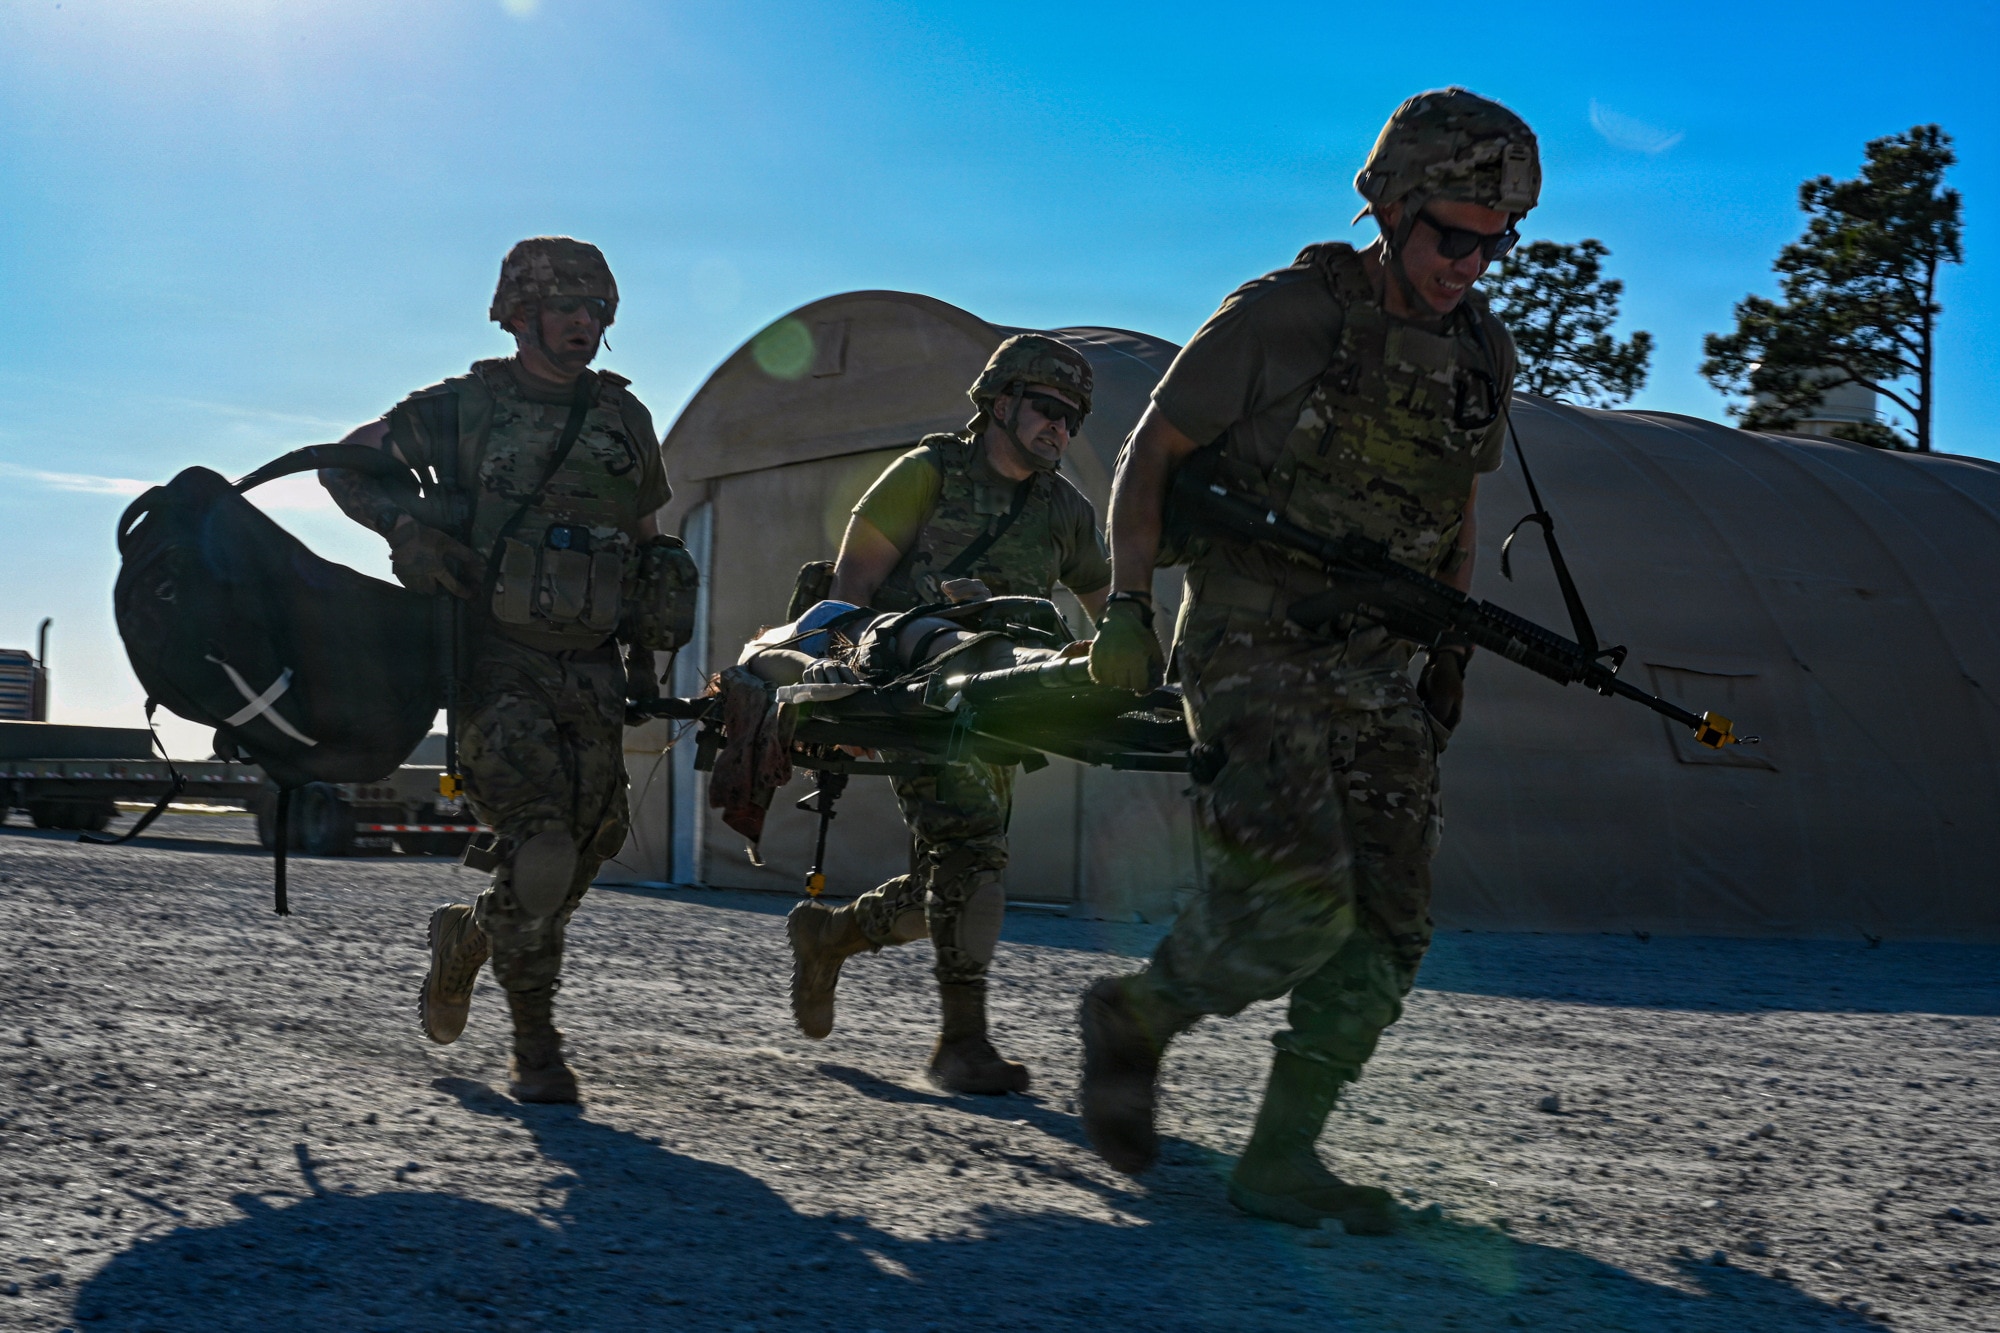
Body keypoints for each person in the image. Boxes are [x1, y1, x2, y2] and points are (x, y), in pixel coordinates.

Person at [1080, 89, 1538, 1232]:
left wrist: (1450, 642)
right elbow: (1152, 455)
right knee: (1294, 910)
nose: (1469, 265)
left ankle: (1280, 1156)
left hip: (1382, 663)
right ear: (1389, 208)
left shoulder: (1482, 353)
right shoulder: (1282, 316)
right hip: (1255, 640)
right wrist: (1126, 609)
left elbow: (1453, 512)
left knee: (1387, 929)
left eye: (1495, 243)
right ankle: (1138, 1014)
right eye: (1450, 235)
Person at [320, 237, 671, 1104]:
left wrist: (650, 640)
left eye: (597, 311)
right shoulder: (464, 406)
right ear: (521, 312)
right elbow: (344, 462)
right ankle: (536, 1045)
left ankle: (470, 938)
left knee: (594, 843)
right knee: (542, 842)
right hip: (494, 658)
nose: (584, 324)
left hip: (589, 663)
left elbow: (648, 539)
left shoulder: (625, 419)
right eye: (567, 307)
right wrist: (408, 532)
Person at [785, 334, 1112, 1093]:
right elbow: (850, 591)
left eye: (1073, 418)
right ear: (1000, 403)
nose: (1059, 428)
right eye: (1046, 408)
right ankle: (961, 1043)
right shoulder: (927, 475)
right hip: (916, 700)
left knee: (951, 877)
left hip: (1005, 709)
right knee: (974, 860)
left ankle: (830, 936)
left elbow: (1108, 611)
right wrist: (846, 694)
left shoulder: (1065, 510)